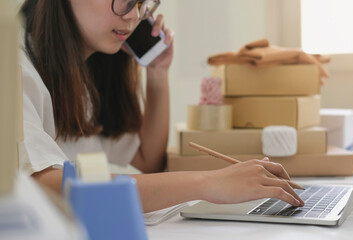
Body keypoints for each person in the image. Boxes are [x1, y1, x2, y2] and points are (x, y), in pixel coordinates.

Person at [19, 0, 304, 212]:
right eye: (123, 1)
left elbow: (143, 162)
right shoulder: (14, 69)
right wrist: (209, 183)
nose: (133, 15)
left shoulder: (89, 70)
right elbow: (47, 187)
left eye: (141, 2)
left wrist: (157, 74)